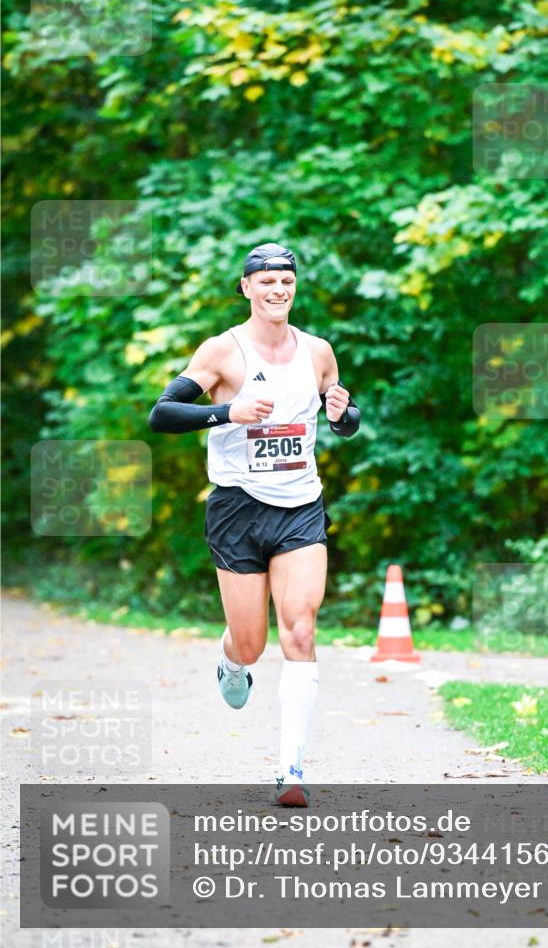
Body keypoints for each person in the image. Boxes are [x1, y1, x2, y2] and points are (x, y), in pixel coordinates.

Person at [148, 242, 360, 806]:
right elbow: (162, 413)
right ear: (246, 288)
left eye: (286, 281)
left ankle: (290, 771)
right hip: (238, 508)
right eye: (266, 281)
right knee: (252, 642)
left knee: (301, 627)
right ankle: (231, 660)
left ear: (295, 287)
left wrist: (343, 416)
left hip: (300, 507)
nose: (278, 290)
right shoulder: (223, 352)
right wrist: (226, 411)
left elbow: (344, 416)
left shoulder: (318, 351)